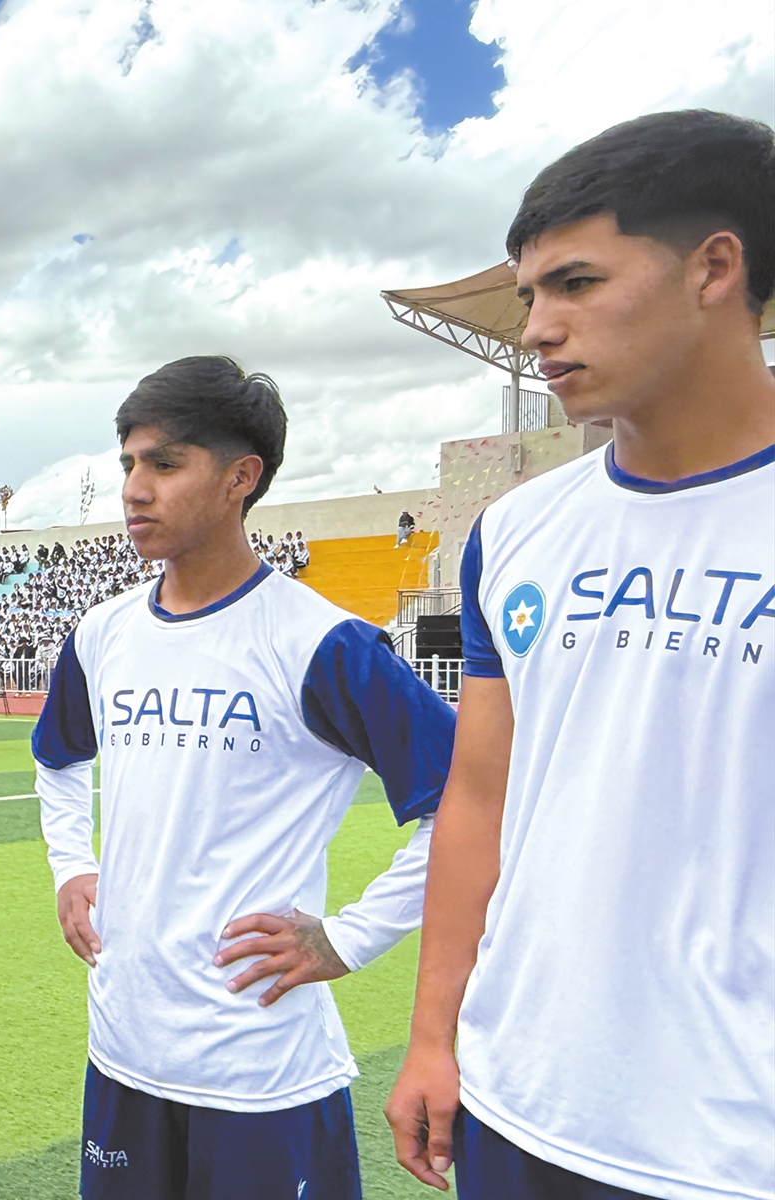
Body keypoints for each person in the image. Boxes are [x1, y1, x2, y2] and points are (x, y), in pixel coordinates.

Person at [386, 110, 775, 1200]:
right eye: (525, 298)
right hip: (518, 1103)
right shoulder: (514, 531)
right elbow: (476, 792)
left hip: (733, 1147)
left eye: (574, 283)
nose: (537, 328)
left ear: (712, 266)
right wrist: (433, 1035)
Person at [30, 357, 455, 1200]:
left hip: (261, 1073)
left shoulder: (321, 643)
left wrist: (350, 936)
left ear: (239, 478)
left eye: (164, 463)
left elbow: (471, 805)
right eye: (127, 464)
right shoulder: (101, 634)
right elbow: (57, 758)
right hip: (123, 1051)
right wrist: (70, 862)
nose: (135, 489)